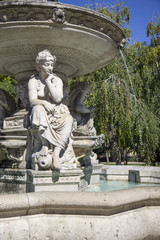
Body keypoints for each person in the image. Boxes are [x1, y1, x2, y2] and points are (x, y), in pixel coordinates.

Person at [28, 49, 73, 169]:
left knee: (68, 119)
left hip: (57, 111)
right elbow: (32, 100)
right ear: (39, 66)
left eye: (52, 65)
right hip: (42, 110)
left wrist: (48, 81)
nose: (50, 67)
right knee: (37, 108)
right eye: (46, 64)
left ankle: (56, 154)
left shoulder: (57, 80)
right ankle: (44, 144)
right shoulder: (33, 81)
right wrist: (44, 103)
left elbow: (58, 98)